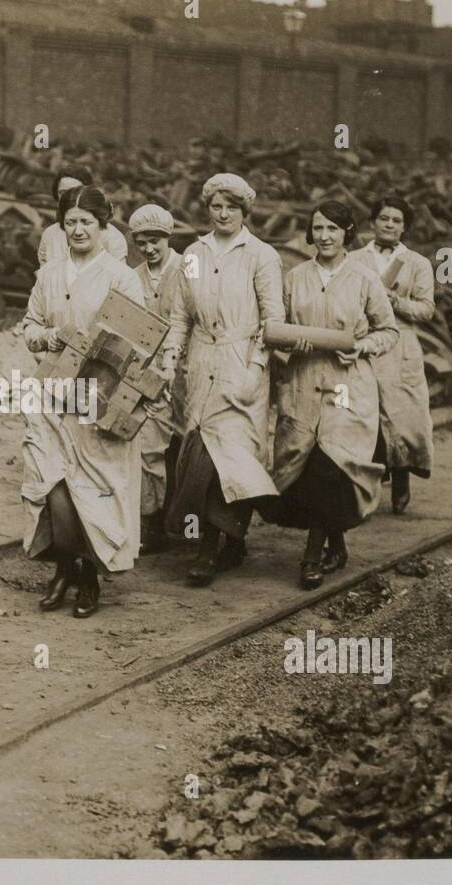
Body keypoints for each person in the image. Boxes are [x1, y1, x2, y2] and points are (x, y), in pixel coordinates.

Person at [259, 201, 398, 590]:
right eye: (318, 228)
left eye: (333, 229)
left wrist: (362, 346)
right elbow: (277, 328)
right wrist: (288, 345)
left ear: (347, 233)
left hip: (346, 382)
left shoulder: (364, 278)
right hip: (303, 379)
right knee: (303, 460)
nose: (324, 236)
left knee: (331, 460)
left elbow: (388, 331)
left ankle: (311, 557)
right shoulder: (296, 276)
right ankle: (335, 541)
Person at [21, 185, 145, 618]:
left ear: (102, 225)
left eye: (86, 222)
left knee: (91, 487)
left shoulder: (120, 276)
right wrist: (49, 336)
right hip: (52, 392)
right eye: (70, 222)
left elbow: (138, 339)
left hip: (98, 395)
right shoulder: (49, 275)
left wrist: (101, 348)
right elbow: (30, 325)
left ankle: (89, 576)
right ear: (61, 226)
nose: (77, 229)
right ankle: (62, 569)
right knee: (53, 482)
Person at [162, 173, 285, 586]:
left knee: (230, 458)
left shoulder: (261, 255)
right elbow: (180, 315)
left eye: (232, 207)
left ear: (244, 211)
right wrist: (169, 360)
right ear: (207, 208)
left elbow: (274, 322)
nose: (223, 214)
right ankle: (222, 542)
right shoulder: (192, 254)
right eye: (217, 206)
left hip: (241, 361)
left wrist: (254, 369)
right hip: (201, 362)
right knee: (198, 455)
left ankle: (211, 550)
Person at [347, 196, 434, 513]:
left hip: (401, 345)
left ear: (405, 227)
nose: (389, 224)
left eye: (396, 220)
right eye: (383, 218)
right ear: (372, 222)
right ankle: (363, 485)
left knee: (403, 415)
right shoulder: (354, 259)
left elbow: (426, 309)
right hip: (366, 341)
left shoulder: (417, 264)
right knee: (363, 413)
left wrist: (396, 301)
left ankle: (401, 475)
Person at [128, 203, 186, 553]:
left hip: (189, 368)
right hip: (149, 372)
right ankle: (152, 522)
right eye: (142, 243)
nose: (149, 249)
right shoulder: (132, 276)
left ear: (168, 238)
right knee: (149, 443)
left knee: (187, 445)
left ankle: (186, 520)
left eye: (155, 242)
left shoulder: (186, 269)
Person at [36, 166, 129, 267]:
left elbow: (120, 279)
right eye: (62, 193)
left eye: (75, 191)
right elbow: (43, 277)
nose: (68, 198)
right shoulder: (50, 235)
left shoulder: (111, 237)